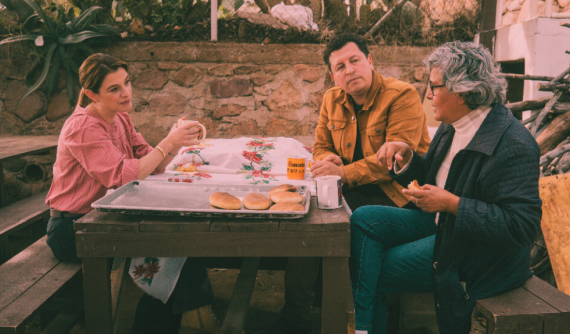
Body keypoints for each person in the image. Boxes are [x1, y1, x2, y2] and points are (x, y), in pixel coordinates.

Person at [350, 41, 542, 334]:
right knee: (363, 218)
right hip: (441, 226)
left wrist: (452, 204)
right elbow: (436, 173)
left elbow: (521, 227)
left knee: (373, 269)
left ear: (463, 91)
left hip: (477, 253)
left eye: (434, 87)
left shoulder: (513, 144)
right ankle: (363, 326)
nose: (427, 94)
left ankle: (362, 329)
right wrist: (407, 159)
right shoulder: (452, 125)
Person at [254, 33, 431, 334]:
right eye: (340, 66)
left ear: (370, 61)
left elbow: (394, 160)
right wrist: (331, 160)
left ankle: (336, 318)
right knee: (305, 218)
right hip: (350, 188)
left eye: (354, 61)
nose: (349, 70)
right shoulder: (331, 99)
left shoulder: (401, 95)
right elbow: (320, 145)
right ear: (333, 76)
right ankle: (297, 317)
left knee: (323, 224)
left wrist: (344, 173)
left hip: (397, 195)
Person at [45, 53, 219, 334]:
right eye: (114, 89)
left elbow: (152, 163)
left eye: (126, 82)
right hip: (73, 228)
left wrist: (173, 141)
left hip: (107, 218)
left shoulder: (120, 118)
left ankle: (190, 317)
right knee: (169, 249)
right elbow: (123, 175)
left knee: (180, 240)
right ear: (91, 93)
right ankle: (192, 317)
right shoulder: (82, 126)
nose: (125, 92)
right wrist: (167, 143)